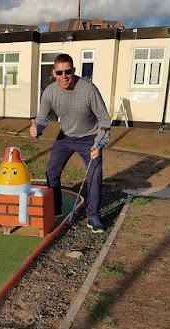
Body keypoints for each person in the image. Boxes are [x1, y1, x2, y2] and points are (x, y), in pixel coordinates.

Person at [30, 53, 111, 233]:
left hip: (90, 138)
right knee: (52, 171)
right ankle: (56, 209)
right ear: (54, 73)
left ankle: (94, 217)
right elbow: (42, 119)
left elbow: (104, 119)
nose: (64, 76)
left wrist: (99, 143)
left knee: (94, 176)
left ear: (74, 70)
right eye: (59, 73)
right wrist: (37, 129)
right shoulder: (50, 92)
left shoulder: (88, 89)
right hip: (65, 137)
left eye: (68, 71)